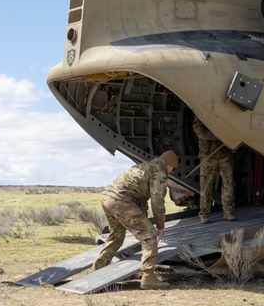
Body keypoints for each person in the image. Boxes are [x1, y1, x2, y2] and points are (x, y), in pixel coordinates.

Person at [93, 150, 179, 290]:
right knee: (150, 235)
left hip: (107, 197)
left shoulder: (147, 166)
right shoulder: (159, 172)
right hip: (121, 201)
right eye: (173, 168)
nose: (172, 172)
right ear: (168, 164)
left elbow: (140, 200)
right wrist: (160, 226)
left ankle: (97, 271)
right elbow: (157, 202)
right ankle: (148, 277)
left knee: (116, 236)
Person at [192, 117, 236, 223]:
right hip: (208, 156)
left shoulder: (224, 111)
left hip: (225, 154)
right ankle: (204, 214)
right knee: (206, 185)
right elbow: (199, 131)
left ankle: (228, 211)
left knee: (228, 184)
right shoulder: (201, 110)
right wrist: (219, 136)